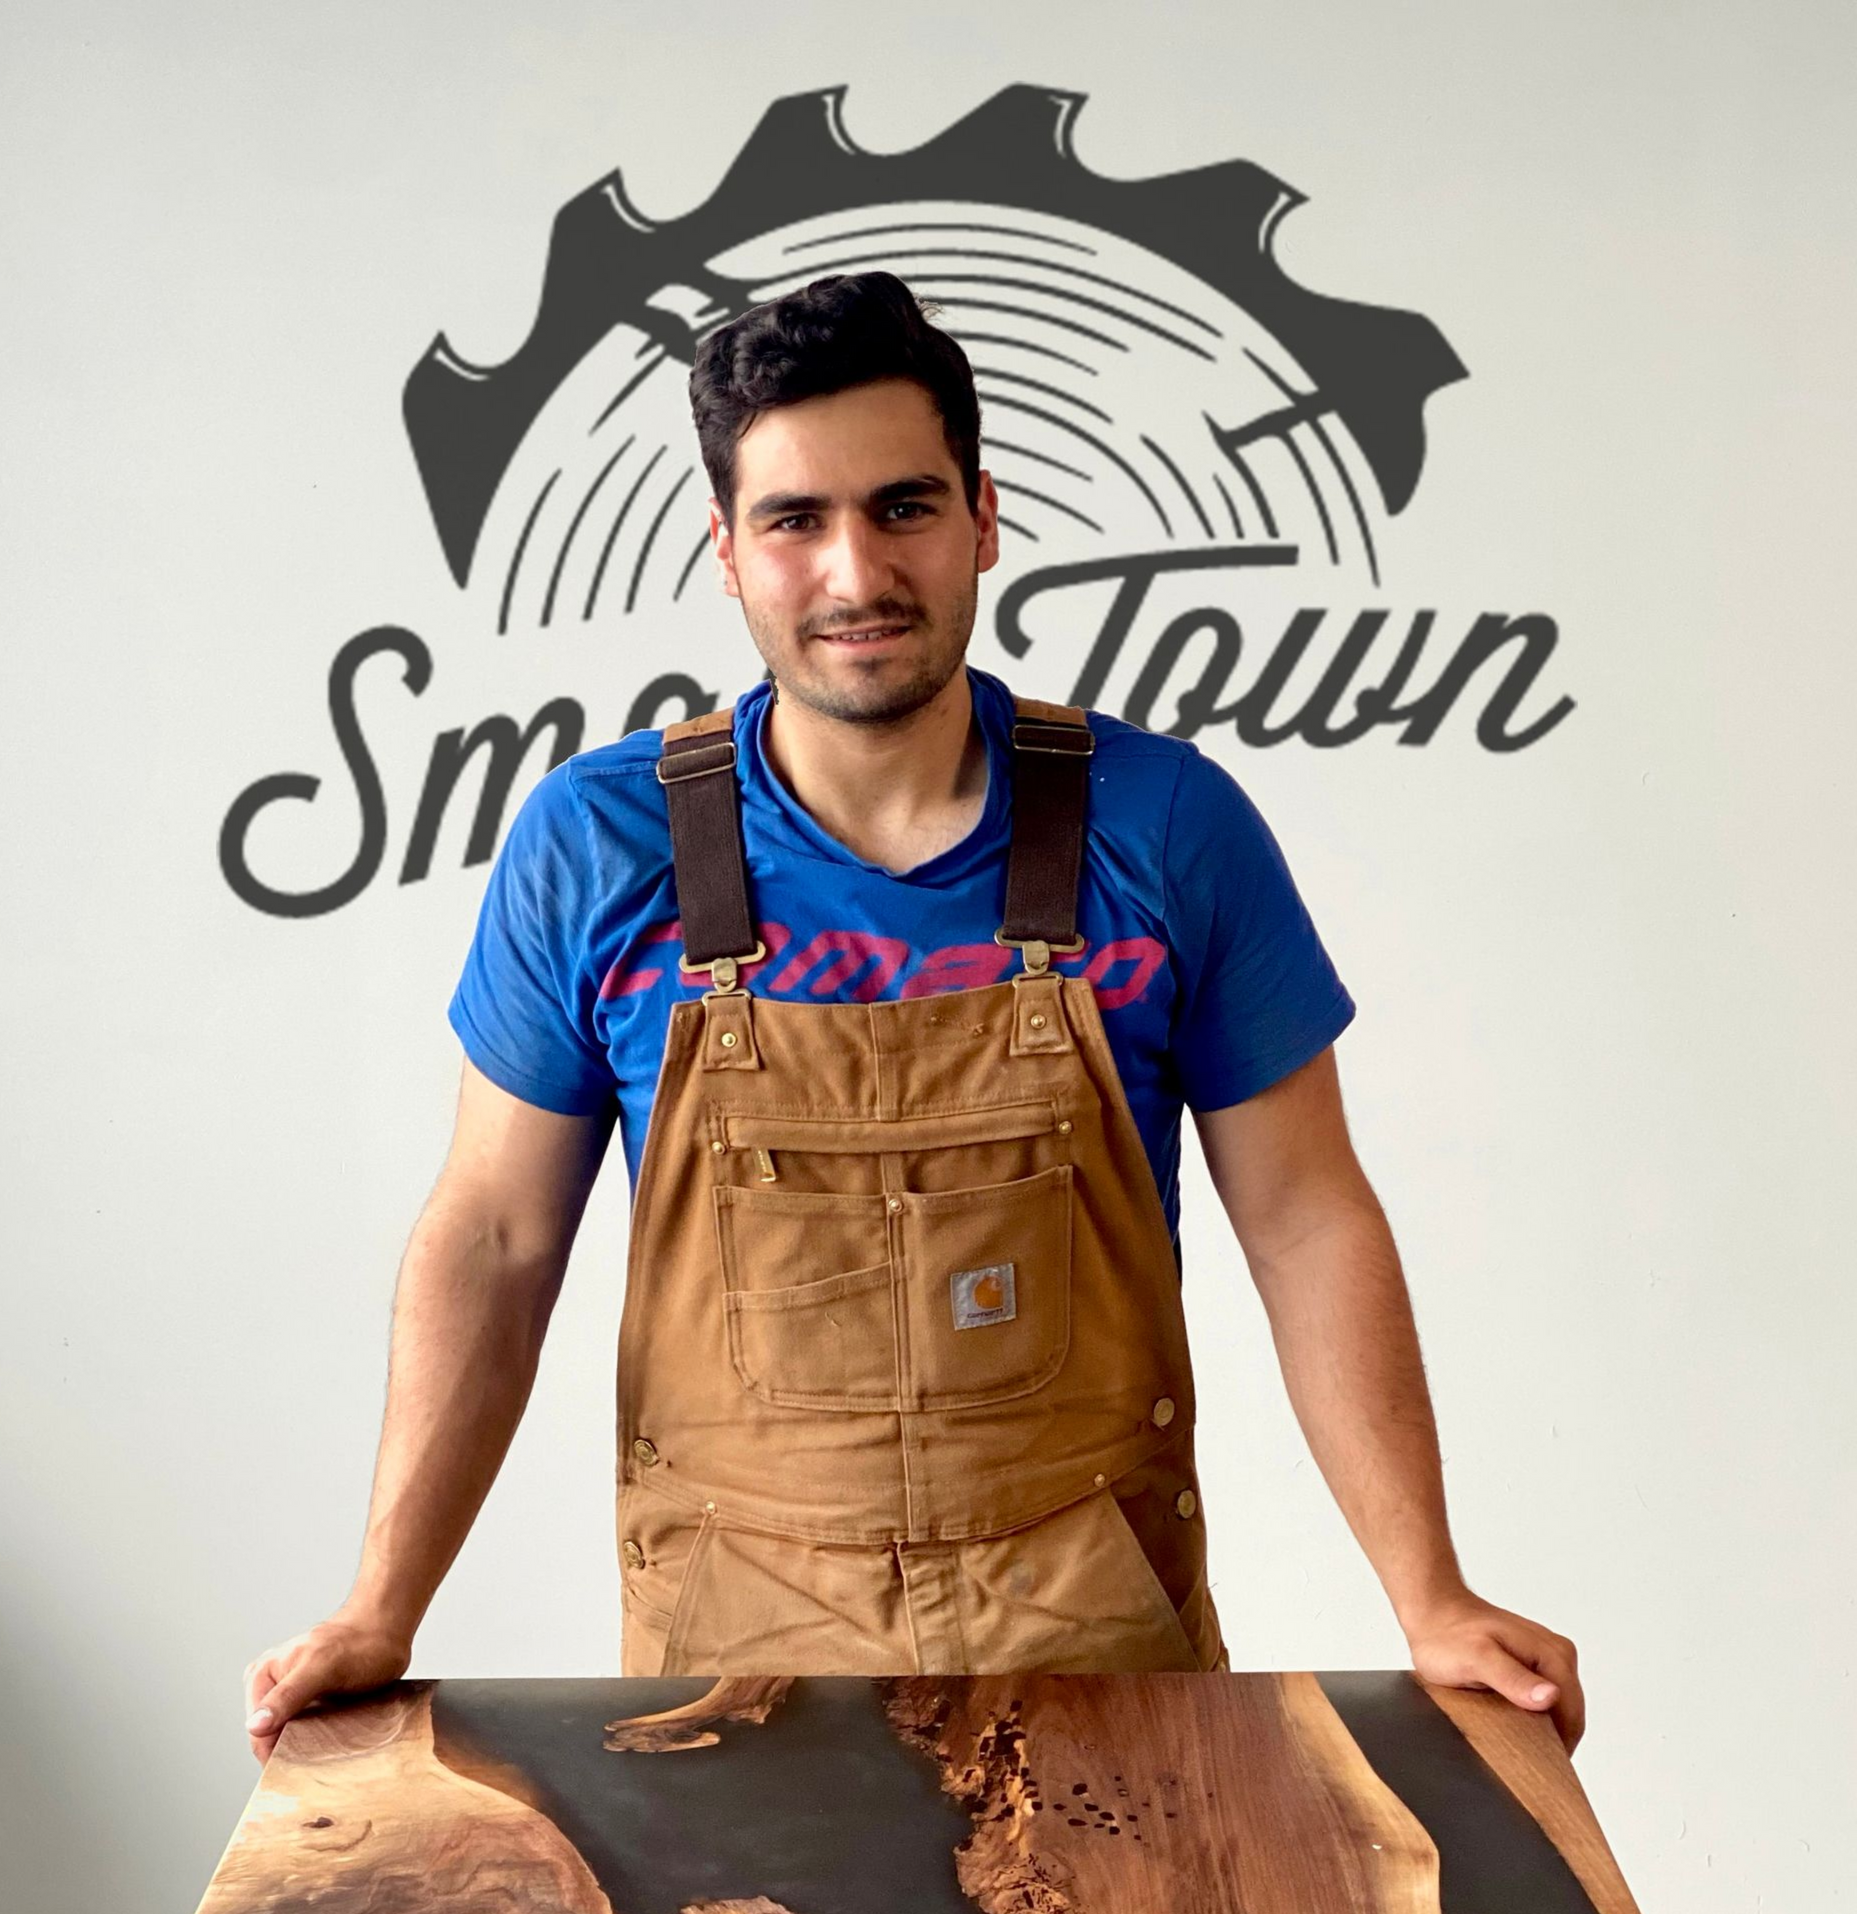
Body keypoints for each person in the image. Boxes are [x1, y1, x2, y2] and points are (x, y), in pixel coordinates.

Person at [243, 271, 1584, 1761]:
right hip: (728, 1673)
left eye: (903, 507)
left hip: (1101, 1644)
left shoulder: (1168, 827)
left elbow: (1309, 1218)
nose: (853, 572)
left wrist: (1429, 1594)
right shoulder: (598, 844)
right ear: (728, 553)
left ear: (983, 521)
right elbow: (494, 1238)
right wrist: (382, 1607)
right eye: (794, 521)